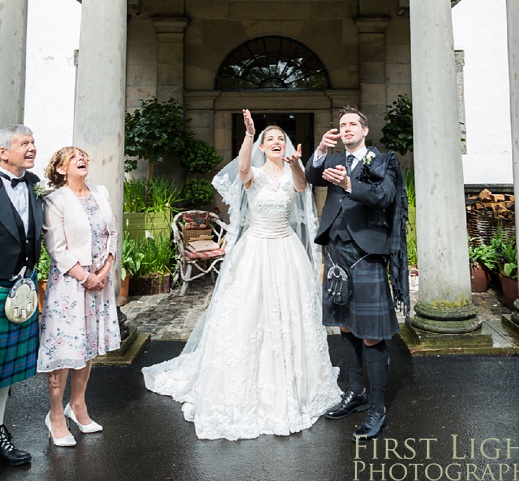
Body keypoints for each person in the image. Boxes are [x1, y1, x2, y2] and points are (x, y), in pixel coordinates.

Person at [143, 109, 341, 441]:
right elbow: (244, 168)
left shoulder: (293, 170)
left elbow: (302, 187)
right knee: (249, 316)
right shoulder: (254, 175)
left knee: (289, 316)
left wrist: (295, 164)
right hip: (256, 251)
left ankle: (294, 384)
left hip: (286, 251)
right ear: (263, 146)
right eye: (270, 139)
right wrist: (249, 134)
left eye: (280, 139)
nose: (276, 143)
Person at [305, 106, 409, 441]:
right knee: (346, 325)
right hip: (336, 252)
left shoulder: (382, 161)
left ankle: (378, 409)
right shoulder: (332, 160)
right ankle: (356, 393)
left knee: (371, 332)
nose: (346, 128)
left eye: (352, 124)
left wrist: (351, 184)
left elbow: (384, 196)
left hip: (366, 253)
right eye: (341, 125)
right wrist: (320, 150)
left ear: (364, 130)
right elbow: (309, 176)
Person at [37, 147, 120, 447]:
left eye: (83, 155)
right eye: (72, 158)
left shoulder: (100, 192)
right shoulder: (55, 200)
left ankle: (79, 405)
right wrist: (86, 277)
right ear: (60, 169)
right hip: (71, 286)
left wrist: (105, 269)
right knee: (64, 349)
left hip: (100, 282)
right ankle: (56, 415)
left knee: (87, 346)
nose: (81, 159)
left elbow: (112, 234)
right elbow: (56, 248)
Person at [0, 125, 43, 467]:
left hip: (21, 288)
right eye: (23, 143)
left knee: (5, 374)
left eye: (32, 142)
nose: (31, 148)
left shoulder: (33, 186)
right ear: (3, 152)